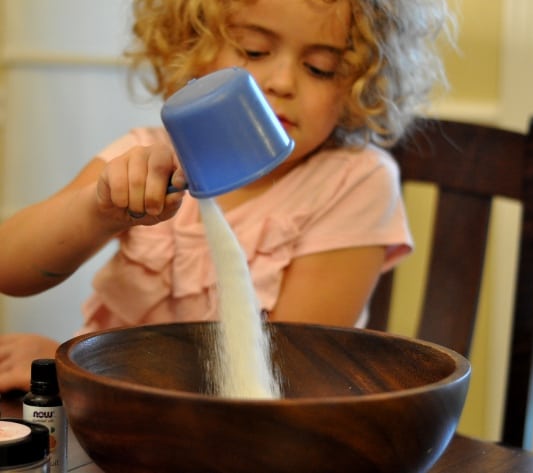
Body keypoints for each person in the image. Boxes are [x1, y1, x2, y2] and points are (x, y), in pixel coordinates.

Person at [0, 0, 453, 392]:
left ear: (358, 85)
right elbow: (10, 265)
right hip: (117, 433)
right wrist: (96, 212)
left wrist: (75, 370)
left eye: (320, 68)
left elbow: (286, 371)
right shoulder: (146, 155)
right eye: (254, 50)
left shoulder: (355, 183)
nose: (281, 82)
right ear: (193, 46)